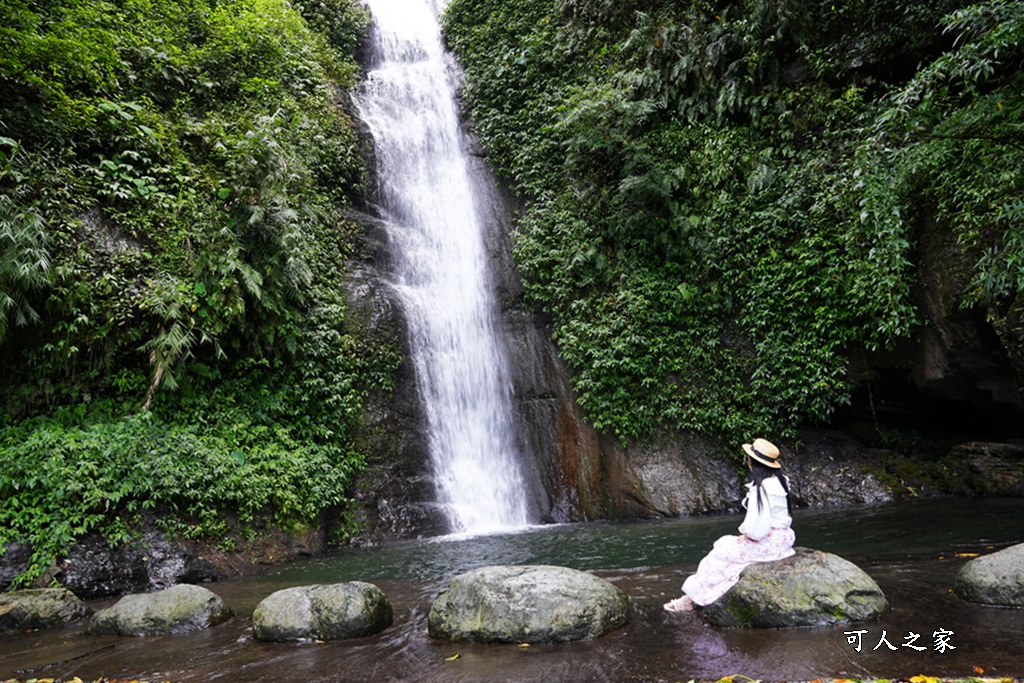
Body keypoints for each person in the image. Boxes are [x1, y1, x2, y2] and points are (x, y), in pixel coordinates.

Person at [663, 438, 795, 612]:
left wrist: (747, 535)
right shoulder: (780, 481)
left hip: (768, 541)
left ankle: (691, 599)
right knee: (725, 543)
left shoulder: (762, 489)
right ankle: (693, 596)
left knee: (718, 554)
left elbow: (758, 528)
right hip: (783, 539)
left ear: (752, 463)